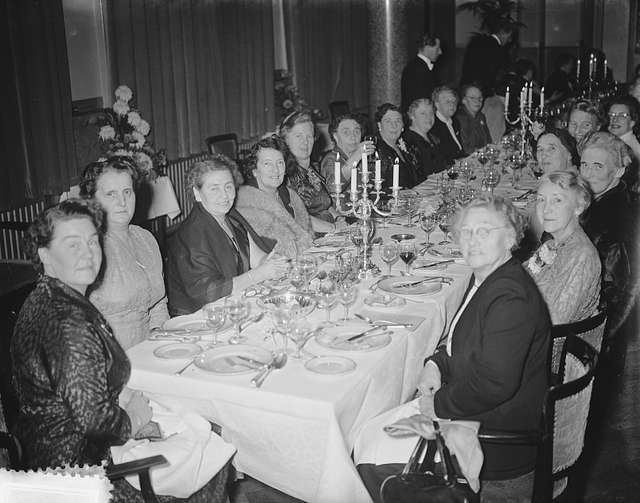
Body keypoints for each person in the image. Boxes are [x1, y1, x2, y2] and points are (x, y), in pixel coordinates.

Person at [11, 199, 230, 502]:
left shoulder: (51, 295)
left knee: (198, 423)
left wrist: (130, 405)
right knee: (211, 447)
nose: (88, 253)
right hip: (81, 469)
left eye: (92, 241)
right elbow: (96, 423)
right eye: (72, 245)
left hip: (53, 446)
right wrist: (136, 419)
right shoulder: (67, 323)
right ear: (45, 255)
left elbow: (86, 386)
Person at [356, 195, 550, 502]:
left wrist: (439, 405)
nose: (472, 240)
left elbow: (494, 383)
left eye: (484, 231)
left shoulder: (511, 298)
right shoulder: (488, 279)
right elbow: (462, 341)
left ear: (510, 237)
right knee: (368, 431)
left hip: (497, 434)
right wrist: (436, 364)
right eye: (466, 232)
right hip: (475, 407)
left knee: (370, 454)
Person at [165, 156, 290, 315]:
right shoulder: (190, 236)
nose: (224, 195)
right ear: (197, 193)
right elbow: (209, 293)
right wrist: (261, 274)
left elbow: (257, 258)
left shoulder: (231, 217)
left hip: (232, 306)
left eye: (228, 187)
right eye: (214, 188)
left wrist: (273, 261)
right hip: (201, 320)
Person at [79, 157, 168, 350]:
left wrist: (158, 336)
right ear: (92, 200)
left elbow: (159, 304)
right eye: (111, 194)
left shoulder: (146, 239)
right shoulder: (86, 249)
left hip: (151, 352)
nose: (122, 202)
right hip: (108, 359)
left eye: (127, 192)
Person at [580, 132, 639, 336]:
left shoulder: (610, 221)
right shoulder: (604, 202)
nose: (588, 174)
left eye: (598, 166)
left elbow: (615, 290)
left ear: (619, 171)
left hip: (599, 327)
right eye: (584, 164)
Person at [526, 171, 601, 324]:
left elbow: (554, 319)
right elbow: (518, 278)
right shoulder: (552, 244)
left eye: (557, 200)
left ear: (578, 207)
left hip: (554, 344)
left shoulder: (581, 255)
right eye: (541, 200)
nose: (546, 209)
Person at [236, 136, 314, 258]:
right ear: (254, 170)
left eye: (280, 163)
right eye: (267, 164)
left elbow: (306, 233)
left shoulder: (287, 195)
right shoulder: (248, 205)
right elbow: (274, 252)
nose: (276, 170)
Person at [278, 111, 337, 230]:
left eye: (309, 136)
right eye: (298, 136)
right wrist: (333, 228)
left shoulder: (311, 169)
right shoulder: (284, 175)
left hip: (329, 232)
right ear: (286, 140)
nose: (305, 142)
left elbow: (325, 204)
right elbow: (295, 217)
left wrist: (339, 219)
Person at [319, 113, 375, 192]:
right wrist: (356, 156)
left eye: (356, 131)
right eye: (346, 132)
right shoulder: (331, 159)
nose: (353, 136)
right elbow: (333, 188)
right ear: (335, 136)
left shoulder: (363, 159)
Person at [460, 20, 514, 96]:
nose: (510, 40)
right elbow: (494, 74)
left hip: (466, 85)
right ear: (502, 32)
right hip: (482, 89)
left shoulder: (476, 41)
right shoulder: (498, 49)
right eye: (509, 36)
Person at [374, 103, 420, 189]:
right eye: (388, 121)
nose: (394, 125)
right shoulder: (376, 150)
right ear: (379, 125)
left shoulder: (403, 145)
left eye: (398, 121)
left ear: (402, 126)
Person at [402, 98, 447, 181]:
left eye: (431, 113)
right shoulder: (409, 141)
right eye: (423, 113)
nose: (428, 117)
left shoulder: (432, 137)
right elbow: (417, 176)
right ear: (412, 116)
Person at [400, 33, 442, 112]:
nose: (440, 52)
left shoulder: (420, 66)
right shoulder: (414, 68)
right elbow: (417, 99)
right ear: (427, 48)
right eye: (437, 48)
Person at [606, 96, 640, 192]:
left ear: (633, 122)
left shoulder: (634, 149)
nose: (614, 120)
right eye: (611, 115)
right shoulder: (607, 141)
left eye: (622, 116)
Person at [429, 86, 465, 161]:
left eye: (454, 101)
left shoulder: (455, 122)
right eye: (448, 102)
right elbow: (437, 157)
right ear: (437, 104)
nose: (452, 105)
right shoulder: (432, 125)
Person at [455, 83, 492, 153]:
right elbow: (466, 149)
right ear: (464, 100)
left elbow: (488, 141)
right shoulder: (460, 119)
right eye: (472, 98)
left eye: (480, 98)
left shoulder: (481, 116)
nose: (477, 101)